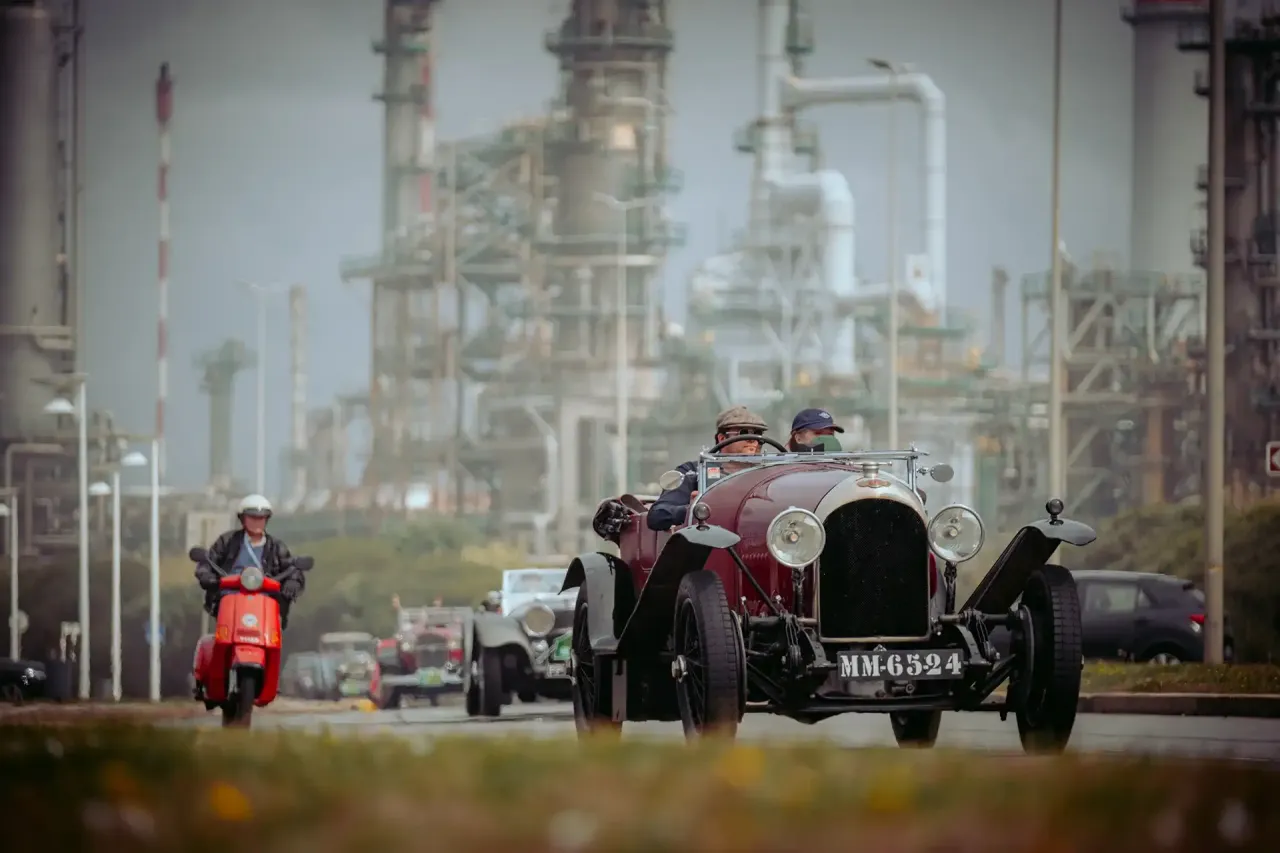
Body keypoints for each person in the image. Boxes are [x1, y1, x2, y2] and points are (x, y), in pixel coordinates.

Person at [647, 405, 768, 531]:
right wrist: (695, 510)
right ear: (722, 438)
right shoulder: (694, 472)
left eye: (758, 434)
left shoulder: (769, 474)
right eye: (743, 433)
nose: (753, 440)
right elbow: (657, 515)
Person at [194, 494, 306, 627]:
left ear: (266, 519)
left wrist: (293, 581)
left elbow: (291, 568)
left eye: (261, 518)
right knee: (222, 636)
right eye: (252, 518)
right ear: (242, 519)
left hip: (266, 603)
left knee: (273, 637)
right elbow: (208, 561)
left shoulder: (277, 547)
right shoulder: (227, 541)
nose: (257, 522)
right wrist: (206, 575)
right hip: (229, 598)